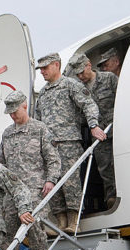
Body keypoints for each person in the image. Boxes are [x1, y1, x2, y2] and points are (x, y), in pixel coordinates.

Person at [34, 52, 106, 234]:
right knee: (52, 184)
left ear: (56, 65)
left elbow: (88, 105)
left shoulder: (70, 85)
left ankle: (74, 221)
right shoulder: (42, 94)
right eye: (40, 69)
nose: (42, 72)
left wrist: (93, 126)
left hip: (68, 142)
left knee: (70, 182)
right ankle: (61, 221)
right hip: (49, 147)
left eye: (45, 67)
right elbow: (37, 122)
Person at [0, 90, 62, 250]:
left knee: (31, 221)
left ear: (24, 105)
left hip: (34, 187)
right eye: (9, 113)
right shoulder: (7, 134)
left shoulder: (40, 129)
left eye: (15, 111)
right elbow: (1, 163)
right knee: (6, 228)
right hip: (12, 190)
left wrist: (51, 180)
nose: (12, 116)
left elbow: (53, 159)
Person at [68, 53, 119, 209]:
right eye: (77, 74)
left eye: (82, 72)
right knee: (105, 168)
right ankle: (111, 198)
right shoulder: (79, 89)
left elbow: (122, 99)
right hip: (99, 136)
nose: (81, 76)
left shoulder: (109, 78)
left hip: (117, 130)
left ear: (89, 65)